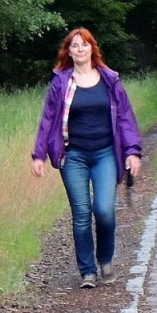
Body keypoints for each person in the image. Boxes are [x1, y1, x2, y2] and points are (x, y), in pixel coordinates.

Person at [31, 27, 143, 289]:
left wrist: (132, 151)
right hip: (73, 155)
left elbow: (125, 117)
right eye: (75, 46)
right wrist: (39, 155)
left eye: (84, 45)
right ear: (68, 52)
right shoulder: (61, 82)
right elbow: (48, 120)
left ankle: (105, 258)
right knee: (81, 214)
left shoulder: (110, 79)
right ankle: (87, 271)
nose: (80, 50)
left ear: (92, 48)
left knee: (104, 211)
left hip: (105, 153)